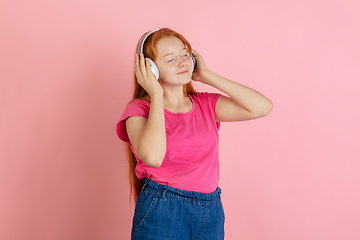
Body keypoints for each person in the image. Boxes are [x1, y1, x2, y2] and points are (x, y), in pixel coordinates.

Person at [116, 28, 273, 240]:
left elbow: (262, 107)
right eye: (171, 59)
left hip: (211, 210)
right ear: (150, 69)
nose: (182, 63)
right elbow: (153, 157)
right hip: (163, 209)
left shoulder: (206, 104)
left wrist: (206, 75)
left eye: (185, 55)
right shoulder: (138, 110)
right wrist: (156, 94)